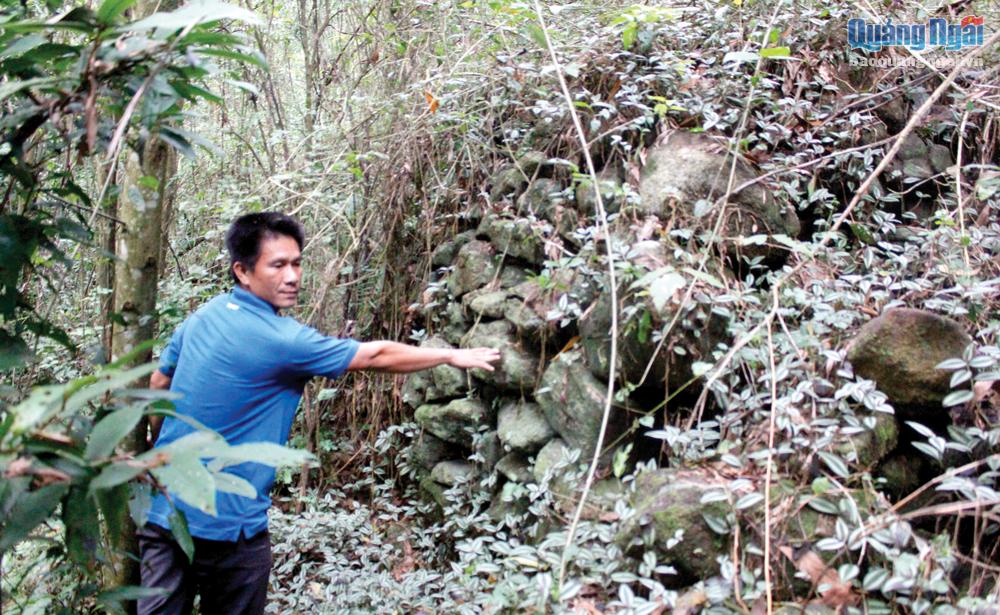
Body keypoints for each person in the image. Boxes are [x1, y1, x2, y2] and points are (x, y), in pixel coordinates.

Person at [138, 212, 499, 615]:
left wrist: (158, 445)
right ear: (242, 271)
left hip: (163, 514)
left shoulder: (202, 316)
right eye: (277, 265)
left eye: (296, 263)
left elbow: (157, 386)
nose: (292, 276)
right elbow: (374, 354)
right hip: (231, 529)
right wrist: (450, 354)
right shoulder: (284, 340)